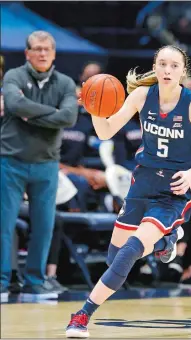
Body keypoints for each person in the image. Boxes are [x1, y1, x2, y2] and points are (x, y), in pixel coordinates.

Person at [65, 45, 191, 338]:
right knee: (115, 258)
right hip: (142, 185)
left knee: (128, 253)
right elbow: (105, 131)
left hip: (172, 191)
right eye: (162, 64)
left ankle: (82, 315)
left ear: (182, 71)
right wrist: (96, 109)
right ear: (155, 66)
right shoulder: (140, 96)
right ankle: (165, 244)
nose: (167, 70)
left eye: (174, 66)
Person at [0, 31, 77, 301]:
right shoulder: (14, 76)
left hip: (47, 165)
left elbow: (69, 116)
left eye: (47, 49)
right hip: (10, 161)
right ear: (27, 53)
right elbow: (13, 102)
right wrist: (51, 114)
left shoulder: (66, 83)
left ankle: (35, 281)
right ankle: (1, 282)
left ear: (54, 53)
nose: (42, 53)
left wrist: (29, 116)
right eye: (37, 49)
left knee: (44, 226)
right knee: (4, 225)